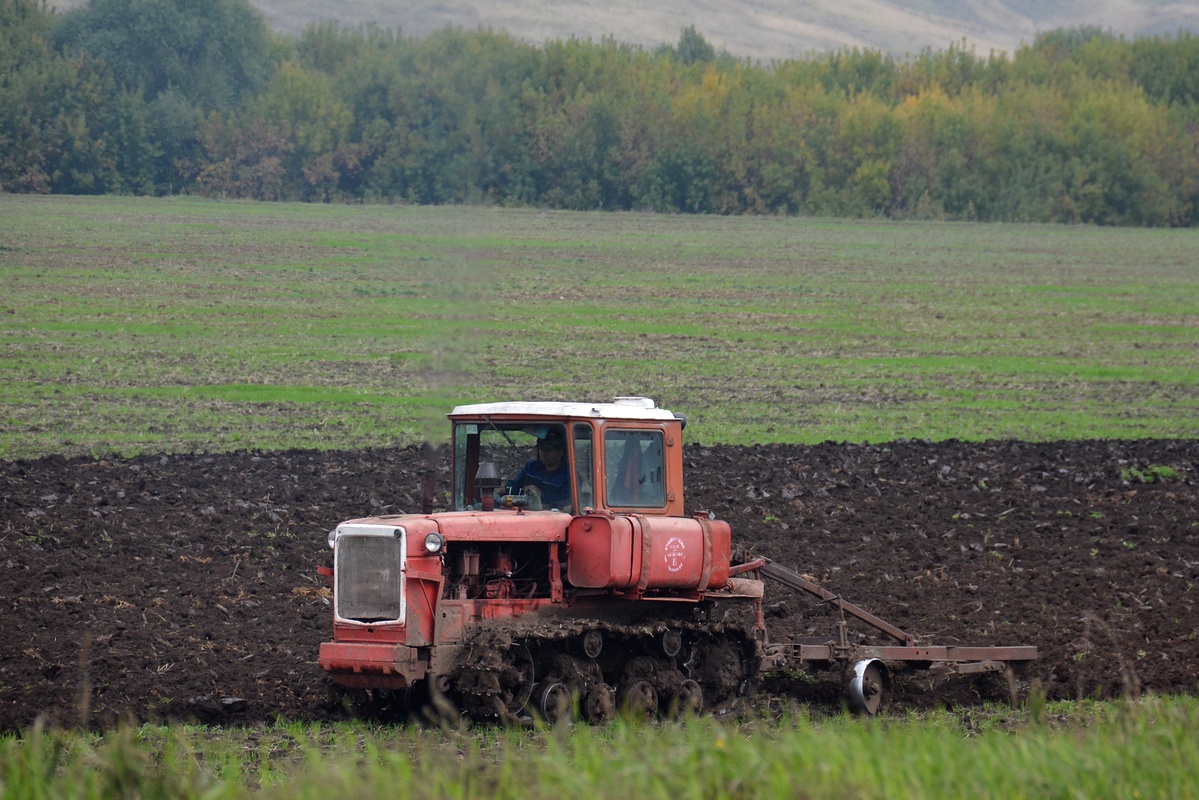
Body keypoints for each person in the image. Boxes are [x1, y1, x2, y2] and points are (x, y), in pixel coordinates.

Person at [507, 428, 572, 510]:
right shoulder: (531, 467)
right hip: (524, 511)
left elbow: (567, 501)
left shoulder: (569, 474)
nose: (543, 453)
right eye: (541, 449)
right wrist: (505, 488)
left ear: (561, 452)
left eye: (548, 450)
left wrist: (540, 494)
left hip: (552, 517)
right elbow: (515, 487)